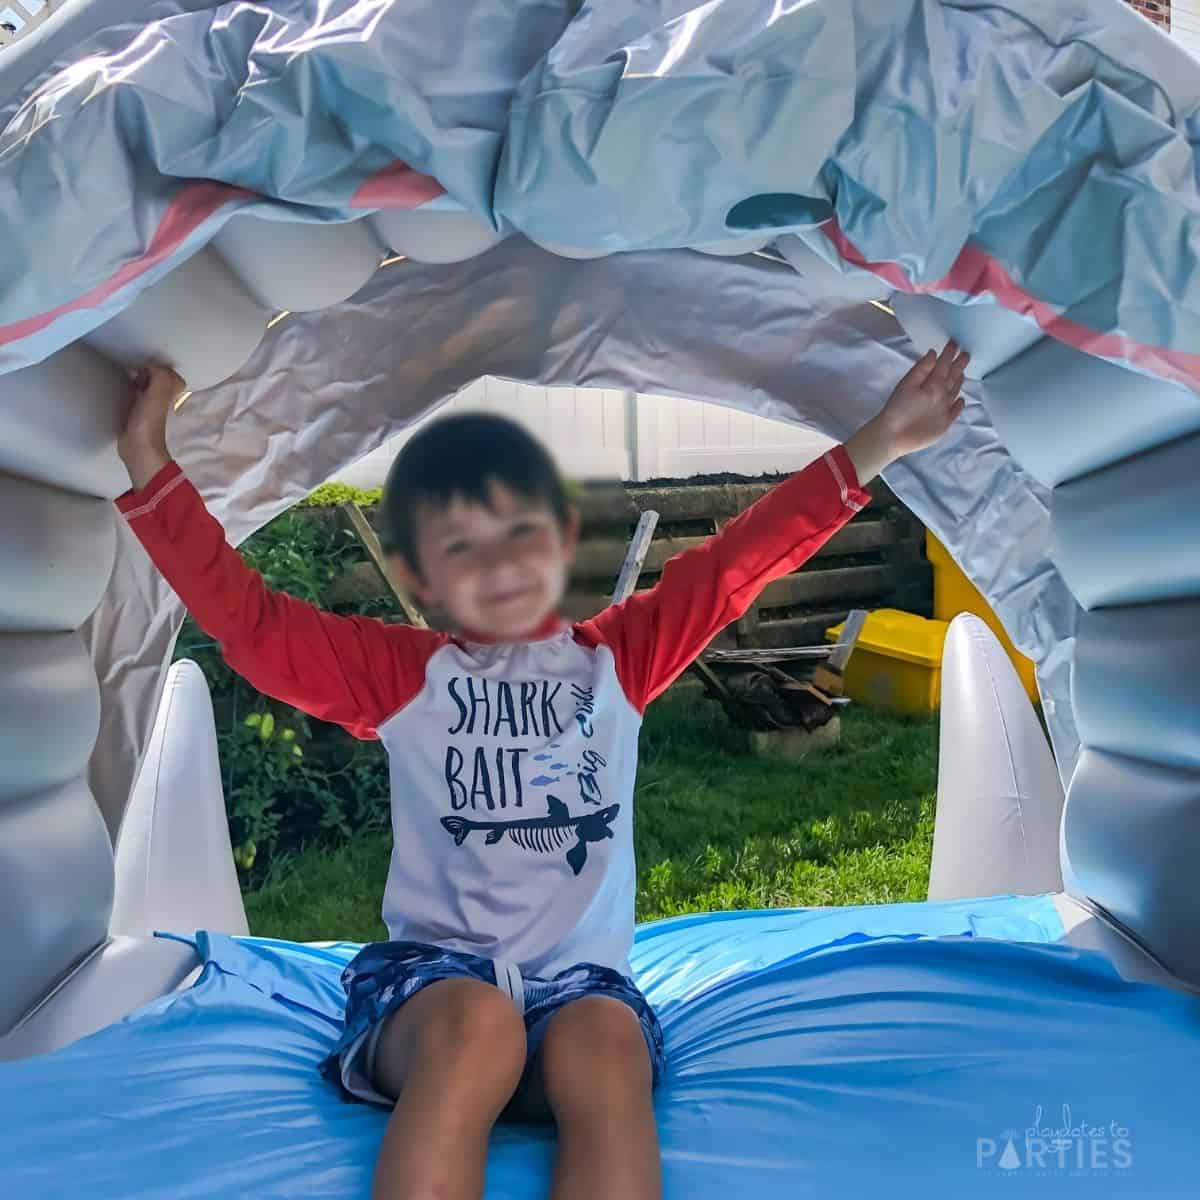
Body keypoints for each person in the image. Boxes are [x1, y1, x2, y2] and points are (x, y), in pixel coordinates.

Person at [114, 341, 969, 1200]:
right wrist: (149, 463)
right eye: (462, 545)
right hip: (435, 998)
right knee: (482, 1025)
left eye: (519, 531)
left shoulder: (619, 662)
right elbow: (253, 625)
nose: (499, 563)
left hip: (576, 996)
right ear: (420, 577)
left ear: (560, 541)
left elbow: (742, 563)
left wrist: (881, 441)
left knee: (605, 1044)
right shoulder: (403, 675)